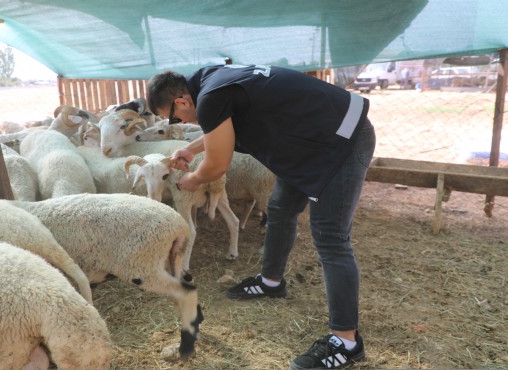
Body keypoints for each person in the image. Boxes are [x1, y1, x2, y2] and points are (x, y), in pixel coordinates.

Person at [146, 64, 376, 369]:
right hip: (313, 138)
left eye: (175, 118)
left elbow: (215, 166)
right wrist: (190, 147)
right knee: (280, 208)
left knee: (331, 237)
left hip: (341, 140)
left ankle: (346, 342)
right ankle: (271, 281)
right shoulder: (210, 81)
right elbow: (224, 126)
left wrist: (192, 181)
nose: (180, 122)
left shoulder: (211, 96)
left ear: (182, 103)